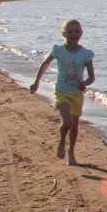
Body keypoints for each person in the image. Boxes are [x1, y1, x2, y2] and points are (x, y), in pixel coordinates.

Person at [29, 19, 95, 165]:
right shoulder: (59, 50)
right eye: (70, 31)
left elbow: (92, 77)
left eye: (77, 31)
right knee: (67, 122)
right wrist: (36, 82)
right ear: (64, 34)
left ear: (81, 33)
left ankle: (71, 152)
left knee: (75, 126)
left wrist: (84, 83)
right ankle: (61, 141)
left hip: (76, 95)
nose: (74, 34)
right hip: (61, 92)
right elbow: (45, 64)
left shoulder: (86, 54)